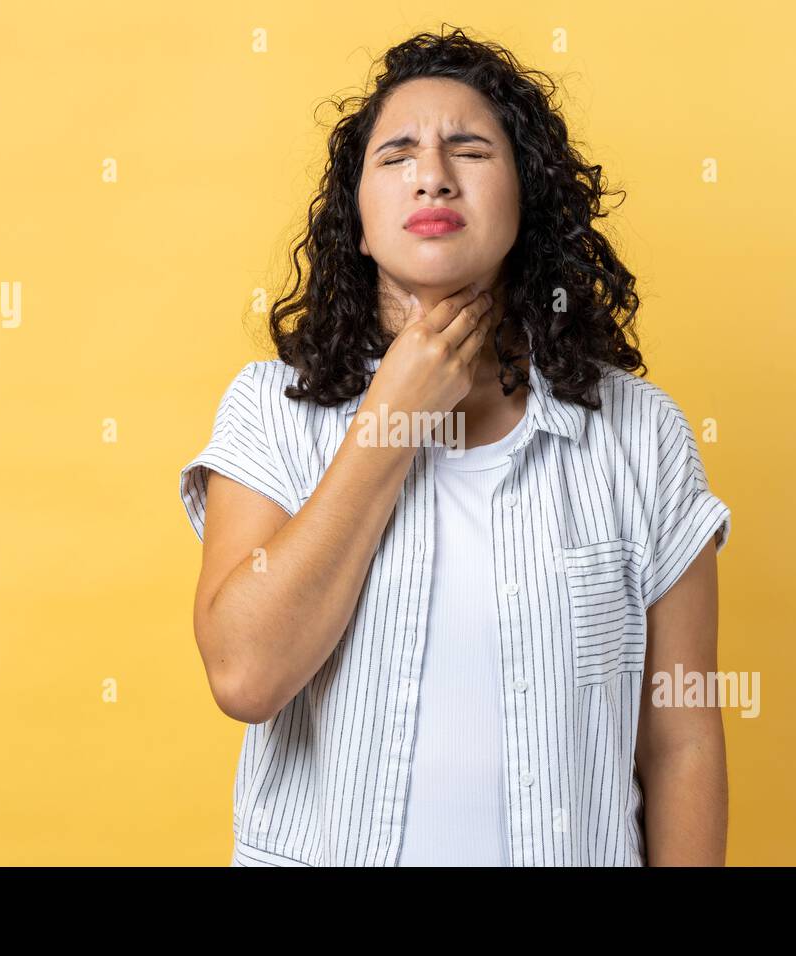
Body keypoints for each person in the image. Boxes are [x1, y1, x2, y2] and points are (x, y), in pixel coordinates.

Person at [179, 26, 732, 866]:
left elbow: (681, 742)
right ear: (359, 226)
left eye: (469, 149)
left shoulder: (642, 436)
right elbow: (245, 676)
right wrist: (390, 417)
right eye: (396, 155)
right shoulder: (271, 413)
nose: (431, 172)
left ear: (527, 203)